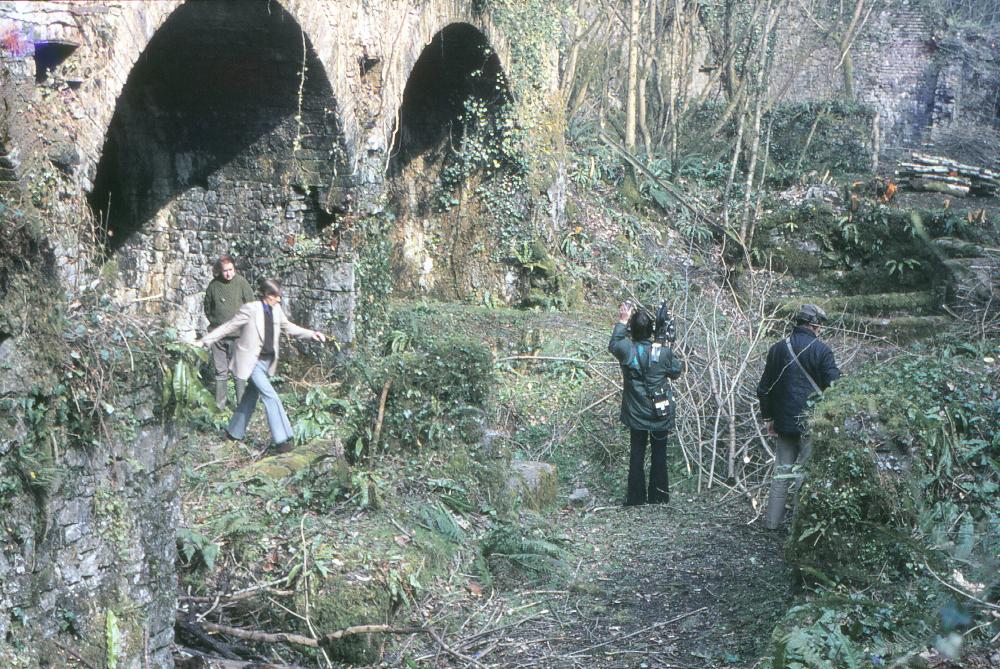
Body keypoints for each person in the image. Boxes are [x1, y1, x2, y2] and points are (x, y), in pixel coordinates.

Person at [199, 279, 326, 452]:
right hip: (251, 363)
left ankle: (232, 432)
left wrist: (312, 334)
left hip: (266, 362)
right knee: (271, 396)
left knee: (249, 398)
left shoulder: (277, 310)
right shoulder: (250, 309)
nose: (279, 300)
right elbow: (228, 327)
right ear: (266, 295)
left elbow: (288, 327)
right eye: (275, 296)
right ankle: (282, 441)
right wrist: (205, 341)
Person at [757, 303, 841, 529]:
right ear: (815, 326)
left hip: (783, 423)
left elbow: (764, 388)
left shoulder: (777, 348)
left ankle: (771, 524)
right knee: (804, 475)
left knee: (781, 472)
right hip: (811, 423)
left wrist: (769, 419)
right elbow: (835, 387)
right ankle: (797, 529)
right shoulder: (822, 351)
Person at [609, 301, 684, 506]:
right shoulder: (663, 353)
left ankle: (636, 498)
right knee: (659, 454)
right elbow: (676, 372)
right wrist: (665, 345)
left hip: (636, 412)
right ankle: (659, 497)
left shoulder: (626, 349)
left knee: (637, 454)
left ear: (631, 330)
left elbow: (614, 343)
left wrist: (622, 321)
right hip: (660, 411)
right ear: (651, 330)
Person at [203, 255, 255, 410]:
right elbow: (207, 307)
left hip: (238, 336)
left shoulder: (241, 283)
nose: (228, 274)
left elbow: (251, 305)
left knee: (239, 372)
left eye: (231, 270)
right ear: (220, 271)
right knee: (220, 371)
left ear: (234, 269)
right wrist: (216, 323)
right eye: (225, 271)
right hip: (218, 336)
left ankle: (241, 406)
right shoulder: (214, 286)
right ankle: (220, 406)